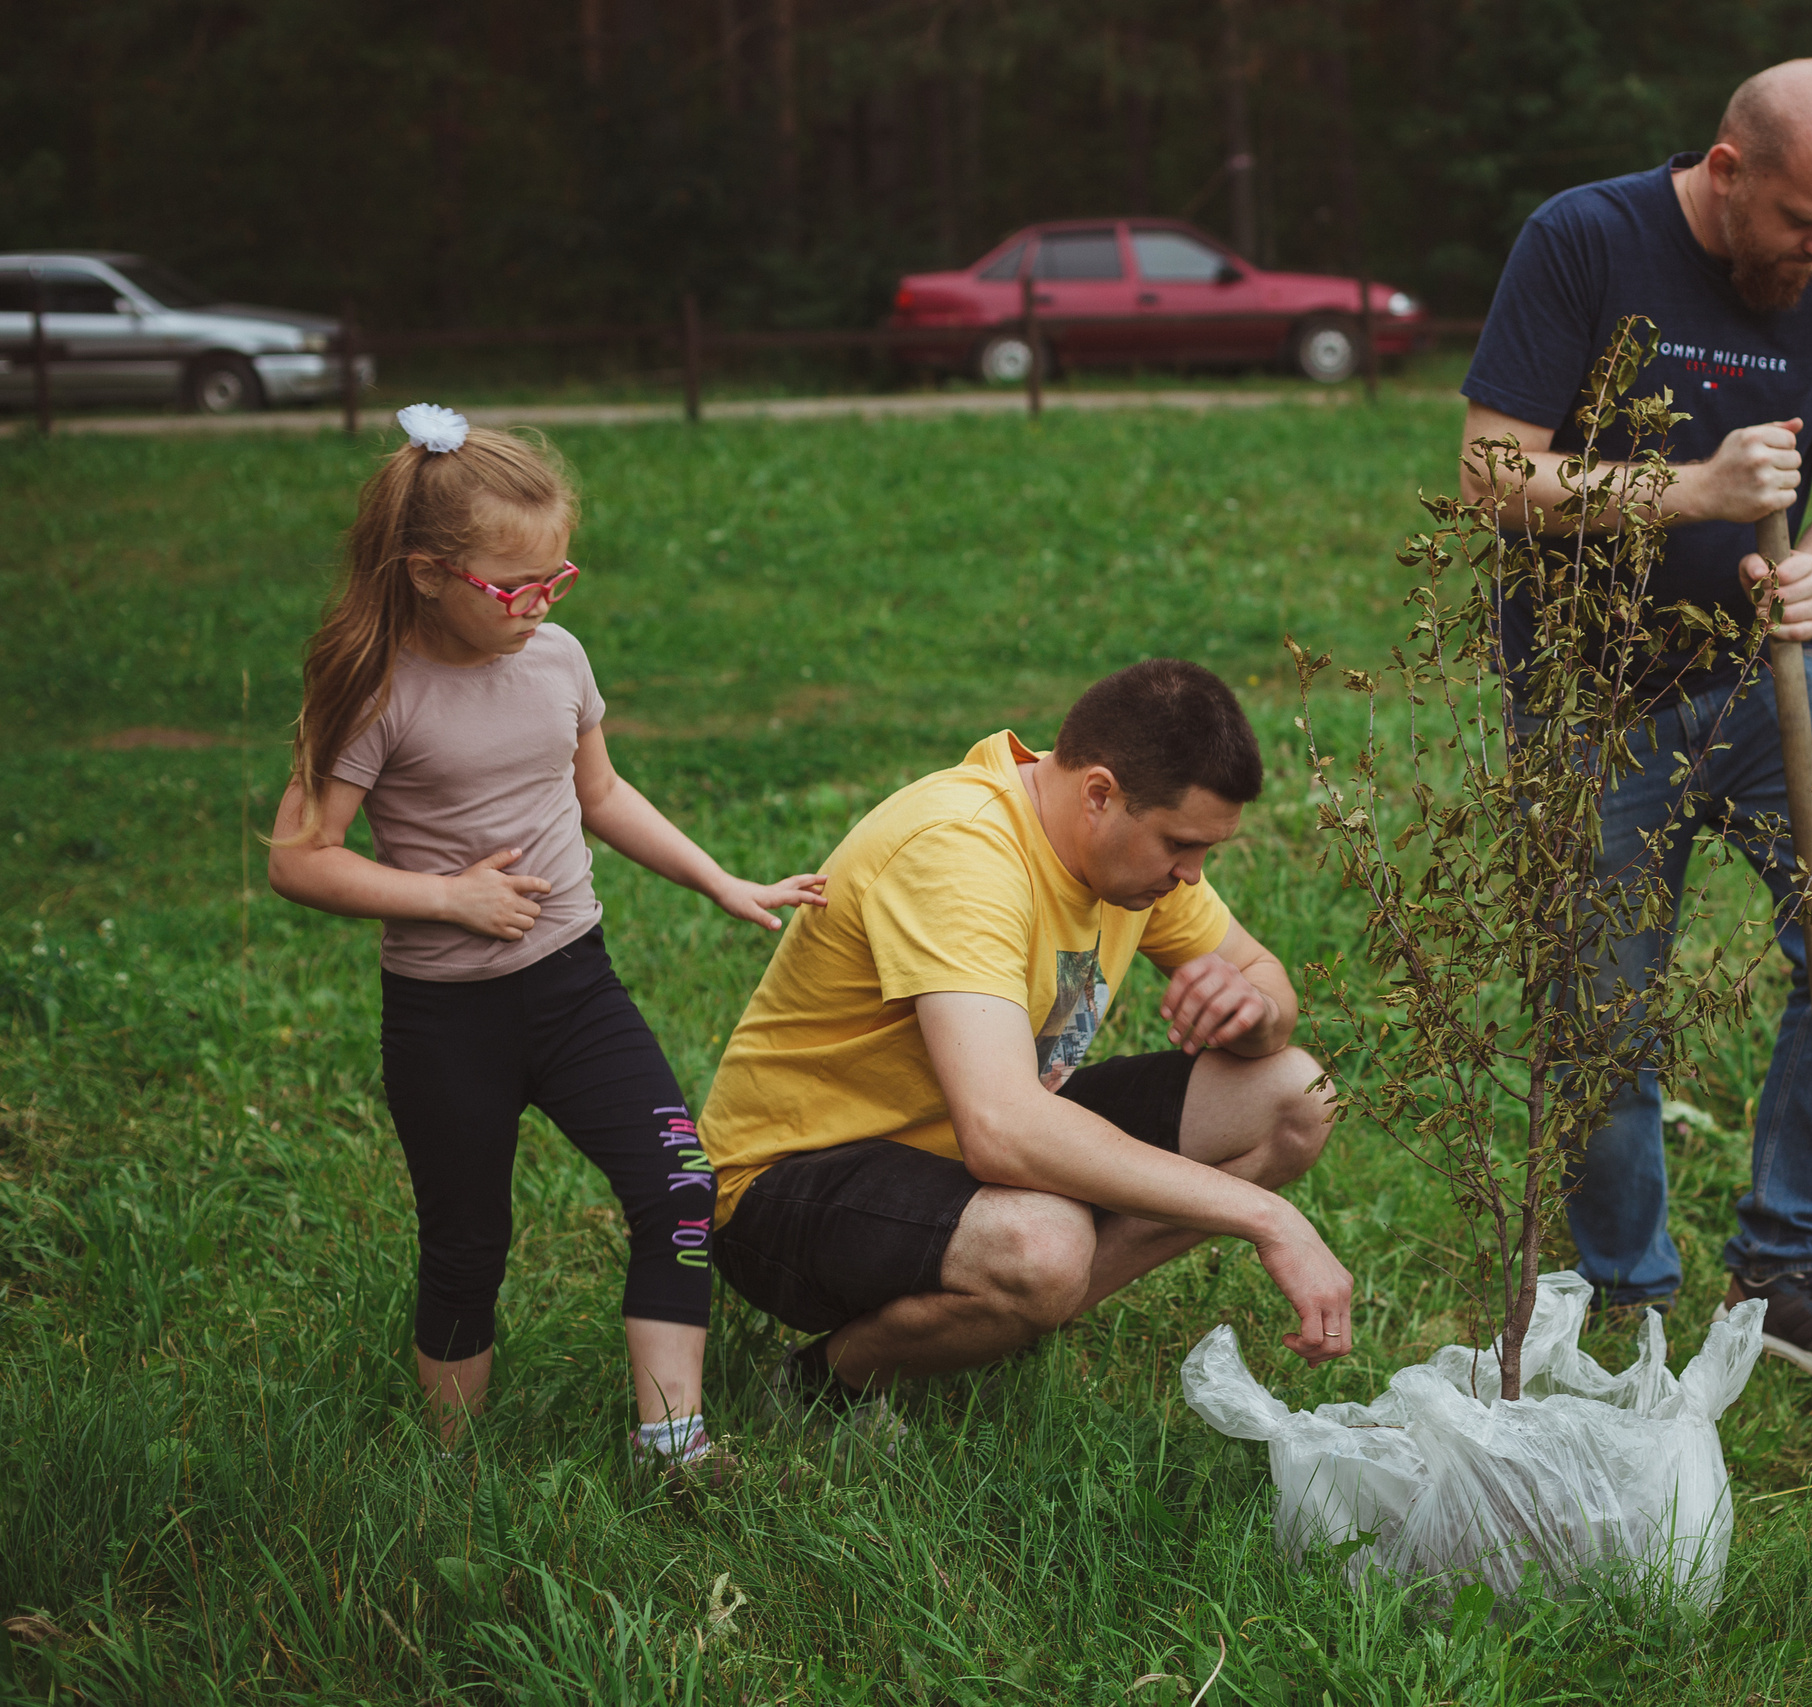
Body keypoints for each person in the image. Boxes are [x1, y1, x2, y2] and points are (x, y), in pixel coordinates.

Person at [1457, 60, 1812, 1384]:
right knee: (1606, 1003)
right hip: (1589, 691)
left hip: (1765, 683)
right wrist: (1695, 489)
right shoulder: (1585, 240)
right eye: (1804, 221)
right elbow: (1494, 469)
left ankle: (1783, 1269)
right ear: (1729, 171)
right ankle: (1625, 1294)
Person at [266, 404, 829, 1481]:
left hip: (576, 989)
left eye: (557, 580)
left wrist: (719, 880)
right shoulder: (375, 686)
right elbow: (301, 858)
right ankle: (451, 1471)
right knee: (469, 1243)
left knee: (675, 1188)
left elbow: (601, 793)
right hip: (446, 1017)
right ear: (428, 573)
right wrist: (446, 899)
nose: (538, 606)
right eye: (513, 585)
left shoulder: (558, 659)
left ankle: (672, 1445)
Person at [699, 660, 1350, 1417]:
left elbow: (1259, 970)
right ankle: (823, 1386)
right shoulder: (963, 851)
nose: (1194, 876)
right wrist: (1267, 1217)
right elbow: (1002, 1133)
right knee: (1043, 1246)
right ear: (1100, 793)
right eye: (1181, 844)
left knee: (1292, 1098)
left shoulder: (1122, 855)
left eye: (1207, 851)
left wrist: (1257, 1007)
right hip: (782, 1184)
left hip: (958, 1148)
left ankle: (1010, 1314)